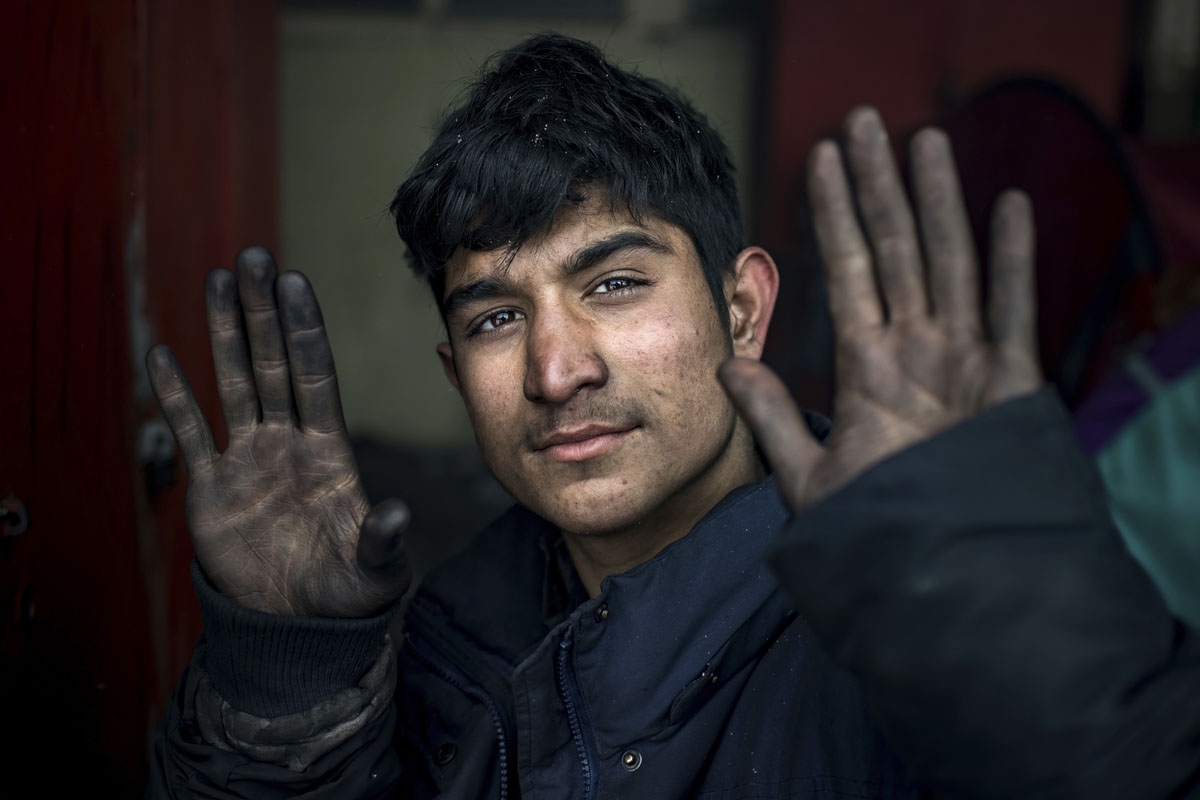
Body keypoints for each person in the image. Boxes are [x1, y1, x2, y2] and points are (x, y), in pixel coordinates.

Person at [145, 34, 1200, 799]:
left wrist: (1025, 628)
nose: (555, 369)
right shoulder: (451, 642)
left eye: (612, 284)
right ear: (454, 367)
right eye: (500, 316)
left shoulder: (895, 630)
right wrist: (290, 676)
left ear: (741, 307)